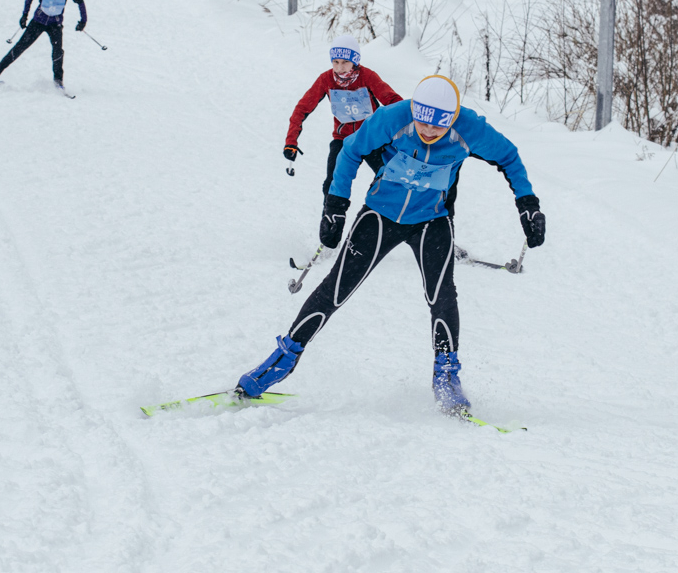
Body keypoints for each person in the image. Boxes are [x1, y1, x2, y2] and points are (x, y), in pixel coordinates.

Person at [234, 75, 546, 415]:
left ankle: (445, 376)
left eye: (438, 125)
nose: (429, 131)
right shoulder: (393, 118)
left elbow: (509, 157)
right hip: (379, 217)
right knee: (335, 289)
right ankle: (281, 361)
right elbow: (350, 151)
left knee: (442, 296)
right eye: (423, 121)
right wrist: (336, 206)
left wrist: (527, 204)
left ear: (453, 118)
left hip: (432, 220)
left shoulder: (469, 128)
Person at [284, 33, 401, 194]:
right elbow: (302, 108)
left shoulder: (367, 76)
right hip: (343, 139)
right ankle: (331, 210)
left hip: (371, 137)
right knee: (332, 185)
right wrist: (291, 141)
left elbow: (394, 102)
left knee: (390, 179)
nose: (340, 68)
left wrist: (406, 132)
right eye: (336, 62)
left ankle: (380, 207)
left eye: (345, 62)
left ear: (355, 61)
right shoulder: (326, 79)